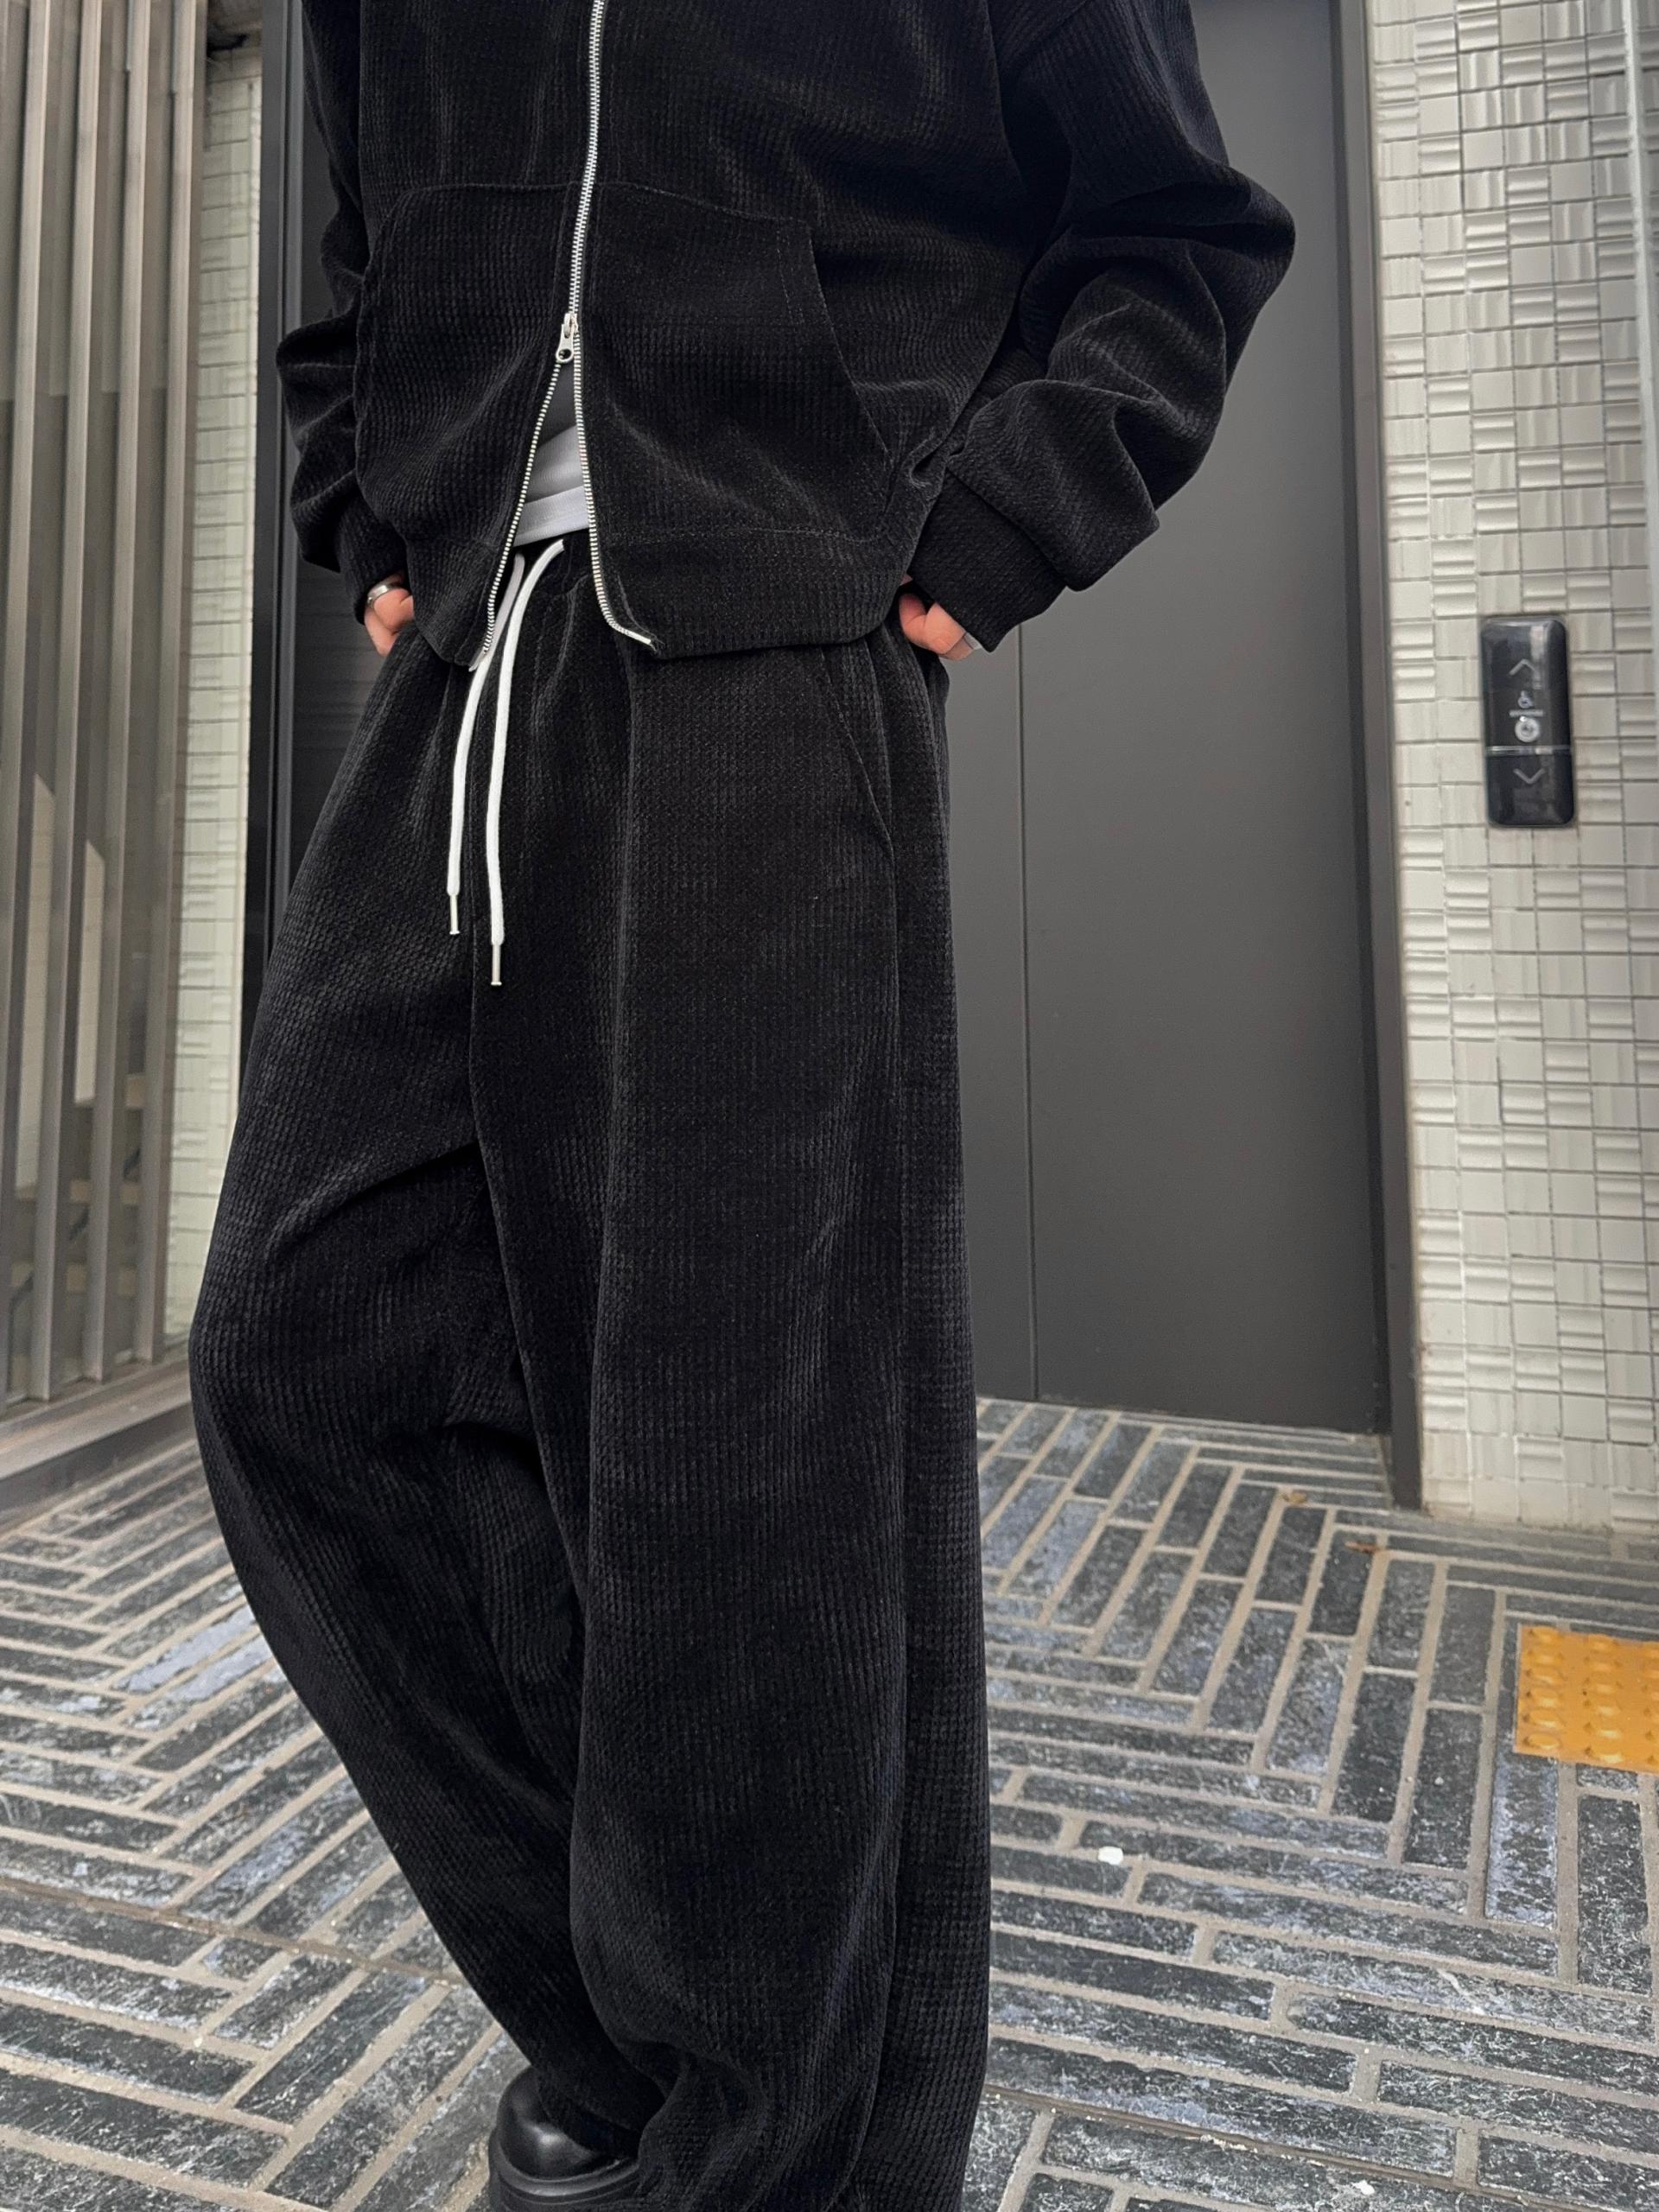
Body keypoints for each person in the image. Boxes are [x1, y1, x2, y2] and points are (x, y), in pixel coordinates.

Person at [188, 3, 1294, 2208]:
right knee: (298, 1353)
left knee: (747, 1469)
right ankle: (666, 2014)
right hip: (474, 644)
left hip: (779, 647)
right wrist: (363, 483)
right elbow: (363, 226)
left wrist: (977, 541)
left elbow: (1178, 233)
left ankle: (790, 2143)